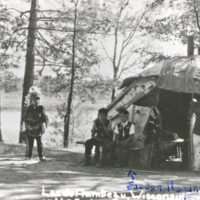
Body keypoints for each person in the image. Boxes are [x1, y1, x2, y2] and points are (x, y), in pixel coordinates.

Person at [25, 86, 48, 161]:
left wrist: (38, 125)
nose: (36, 100)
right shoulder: (29, 108)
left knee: (39, 142)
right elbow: (26, 118)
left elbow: (43, 118)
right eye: (35, 99)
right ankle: (29, 156)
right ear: (32, 100)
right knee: (30, 142)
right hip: (30, 127)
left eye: (38, 99)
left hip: (38, 127)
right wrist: (29, 126)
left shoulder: (41, 108)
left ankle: (41, 156)